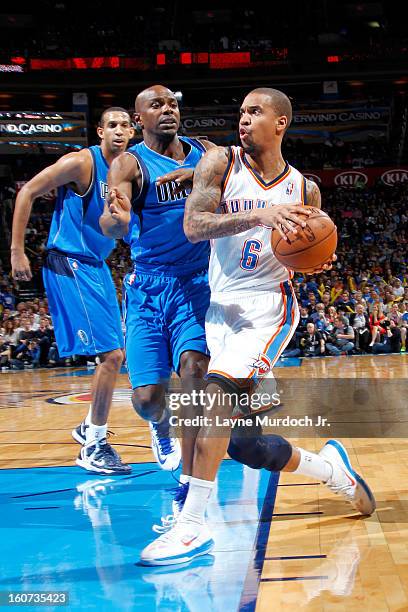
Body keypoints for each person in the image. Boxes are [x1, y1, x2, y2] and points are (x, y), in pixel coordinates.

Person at [140, 87, 375, 566]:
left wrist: (317, 261)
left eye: (255, 112)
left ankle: (190, 527)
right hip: (220, 308)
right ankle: (332, 471)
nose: (243, 119)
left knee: (214, 400)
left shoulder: (305, 188)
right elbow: (194, 225)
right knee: (245, 445)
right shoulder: (220, 164)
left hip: (269, 309)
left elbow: (314, 250)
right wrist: (261, 214)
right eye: (241, 111)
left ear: (281, 122)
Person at [11, 107, 135, 475]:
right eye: (112, 125)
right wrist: (17, 250)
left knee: (117, 356)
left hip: (96, 266)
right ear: (100, 131)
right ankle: (94, 444)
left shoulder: (129, 171)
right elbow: (28, 191)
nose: (119, 130)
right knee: (110, 357)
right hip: (69, 261)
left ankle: (88, 428)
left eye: (126, 125)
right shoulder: (84, 163)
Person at [100, 85, 214, 472]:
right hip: (148, 288)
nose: (168, 110)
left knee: (195, 369)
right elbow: (112, 219)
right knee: (148, 399)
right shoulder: (129, 165)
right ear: (139, 119)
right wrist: (116, 220)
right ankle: (161, 426)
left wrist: (198, 173)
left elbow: (244, 171)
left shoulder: (204, 150)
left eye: (172, 103)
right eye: (156, 105)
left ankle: (195, 476)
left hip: (197, 282)